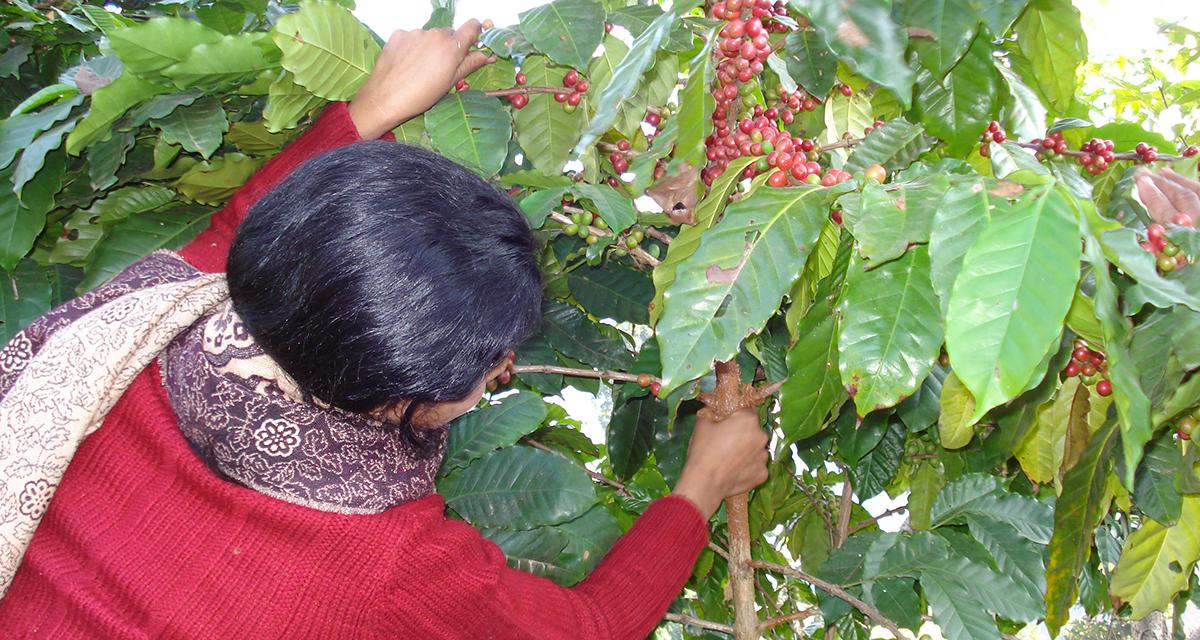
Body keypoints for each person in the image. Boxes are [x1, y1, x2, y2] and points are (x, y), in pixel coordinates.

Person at [0, 18, 770, 639]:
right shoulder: (385, 561)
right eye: (484, 366)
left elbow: (245, 230)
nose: (502, 369)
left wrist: (374, 105)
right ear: (394, 395)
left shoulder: (159, 312)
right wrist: (703, 484)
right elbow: (587, 627)